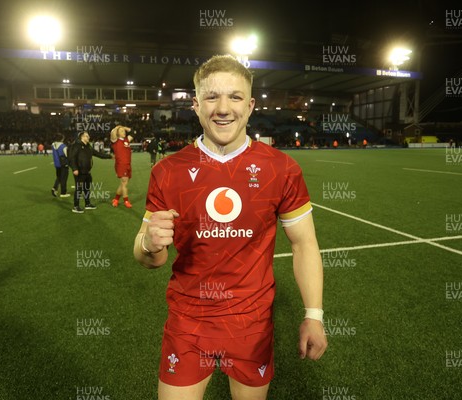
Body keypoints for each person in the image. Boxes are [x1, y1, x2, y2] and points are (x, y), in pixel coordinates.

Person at [133, 54, 327, 400]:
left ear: (250, 105)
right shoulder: (167, 171)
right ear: (195, 105)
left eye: (235, 97)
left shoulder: (282, 169)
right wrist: (149, 244)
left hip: (251, 325)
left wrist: (313, 314)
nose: (223, 108)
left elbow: (304, 244)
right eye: (212, 97)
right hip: (188, 324)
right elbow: (150, 259)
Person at [68, 131, 112, 213]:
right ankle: (76, 206)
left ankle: (87, 204)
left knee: (87, 189)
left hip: (87, 172)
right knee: (79, 189)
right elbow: (71, 158)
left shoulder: (88, 146)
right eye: (86, 136)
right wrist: (74, 169)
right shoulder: (76, 146)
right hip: (79, 172)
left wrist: (109, 156)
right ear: (82, 137)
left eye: (88, 136)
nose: (88, 137)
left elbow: (97, 154)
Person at [110, 125, 134, 208]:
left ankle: (116, 199)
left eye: (124, 131)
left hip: (128, 165)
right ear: (118, 133)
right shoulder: (115, 141)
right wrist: (118, 127)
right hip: (121, 165)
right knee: (124, 183)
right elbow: (113, 132)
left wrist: (124, 127)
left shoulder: (127, 140)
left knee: (123, 183)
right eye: (122, 131)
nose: (124, 132)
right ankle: (126, 201)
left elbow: (133, 132)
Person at [51, 133, 70, 198]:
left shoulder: (53, 144)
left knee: (59, 177)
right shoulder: (63, 146)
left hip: (57, 164)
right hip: (63, 164)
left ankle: (55, 188)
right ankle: (63, 193)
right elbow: (67, 155)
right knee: (64, 178)